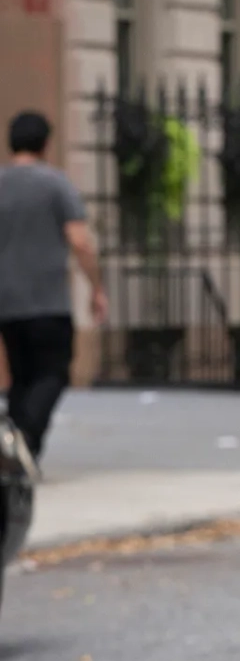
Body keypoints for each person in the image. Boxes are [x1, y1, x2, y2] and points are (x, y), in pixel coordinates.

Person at [0, 111, 105, 462]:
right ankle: (25, 438)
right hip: (47, 300)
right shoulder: (55, 184)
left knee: (21, 376)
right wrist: (96, 287)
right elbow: (80, 241)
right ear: (46, 143)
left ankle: (16, 455)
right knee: (53, 373)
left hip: (8, 301)